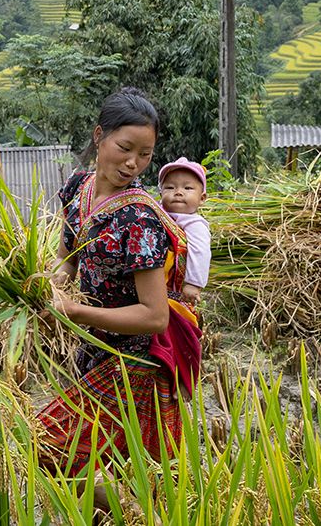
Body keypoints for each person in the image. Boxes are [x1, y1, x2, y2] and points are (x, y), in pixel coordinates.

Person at [38, 87, 197, 485]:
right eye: (125, 148)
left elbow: (155, 316)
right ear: (98, 136)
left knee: (47, 451)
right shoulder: (78, 188)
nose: (133, 163)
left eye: (144, 155)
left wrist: (74, 311)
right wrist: (51, 288)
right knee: (103, 469)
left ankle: (139, 514)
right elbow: (68, 259)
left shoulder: (139, 221)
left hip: (132, 365)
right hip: (92, 352)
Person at [158, 157, 211, 305]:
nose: (178, 192)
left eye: (187, 188)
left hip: (176, 289)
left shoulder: (195, 224)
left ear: (202, 198)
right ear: (161, 194)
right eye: (170, 187)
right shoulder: (156, 212)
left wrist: (193, 283)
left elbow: (200, 252)